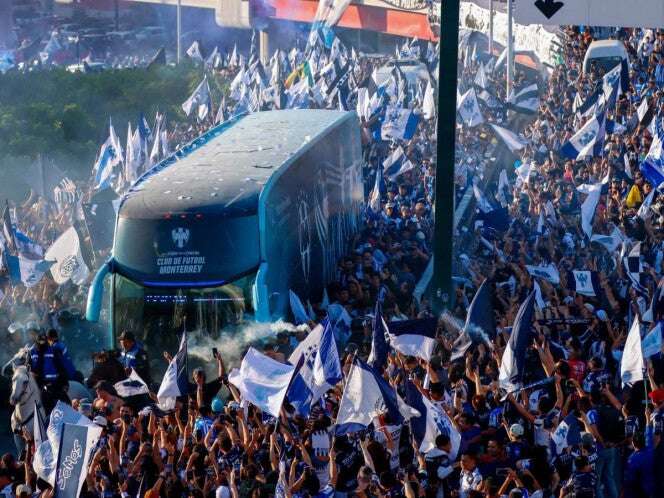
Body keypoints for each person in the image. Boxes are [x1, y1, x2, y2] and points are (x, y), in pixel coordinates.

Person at [28, 333, 70, 414]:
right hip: (36, 383)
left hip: (53, 383)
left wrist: (65, 382)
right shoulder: (32, 352)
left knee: (65, 401)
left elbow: (60, 367)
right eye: (40, 341)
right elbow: (28, 368)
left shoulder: (53, 351)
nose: (41, 343)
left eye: (43, 341)